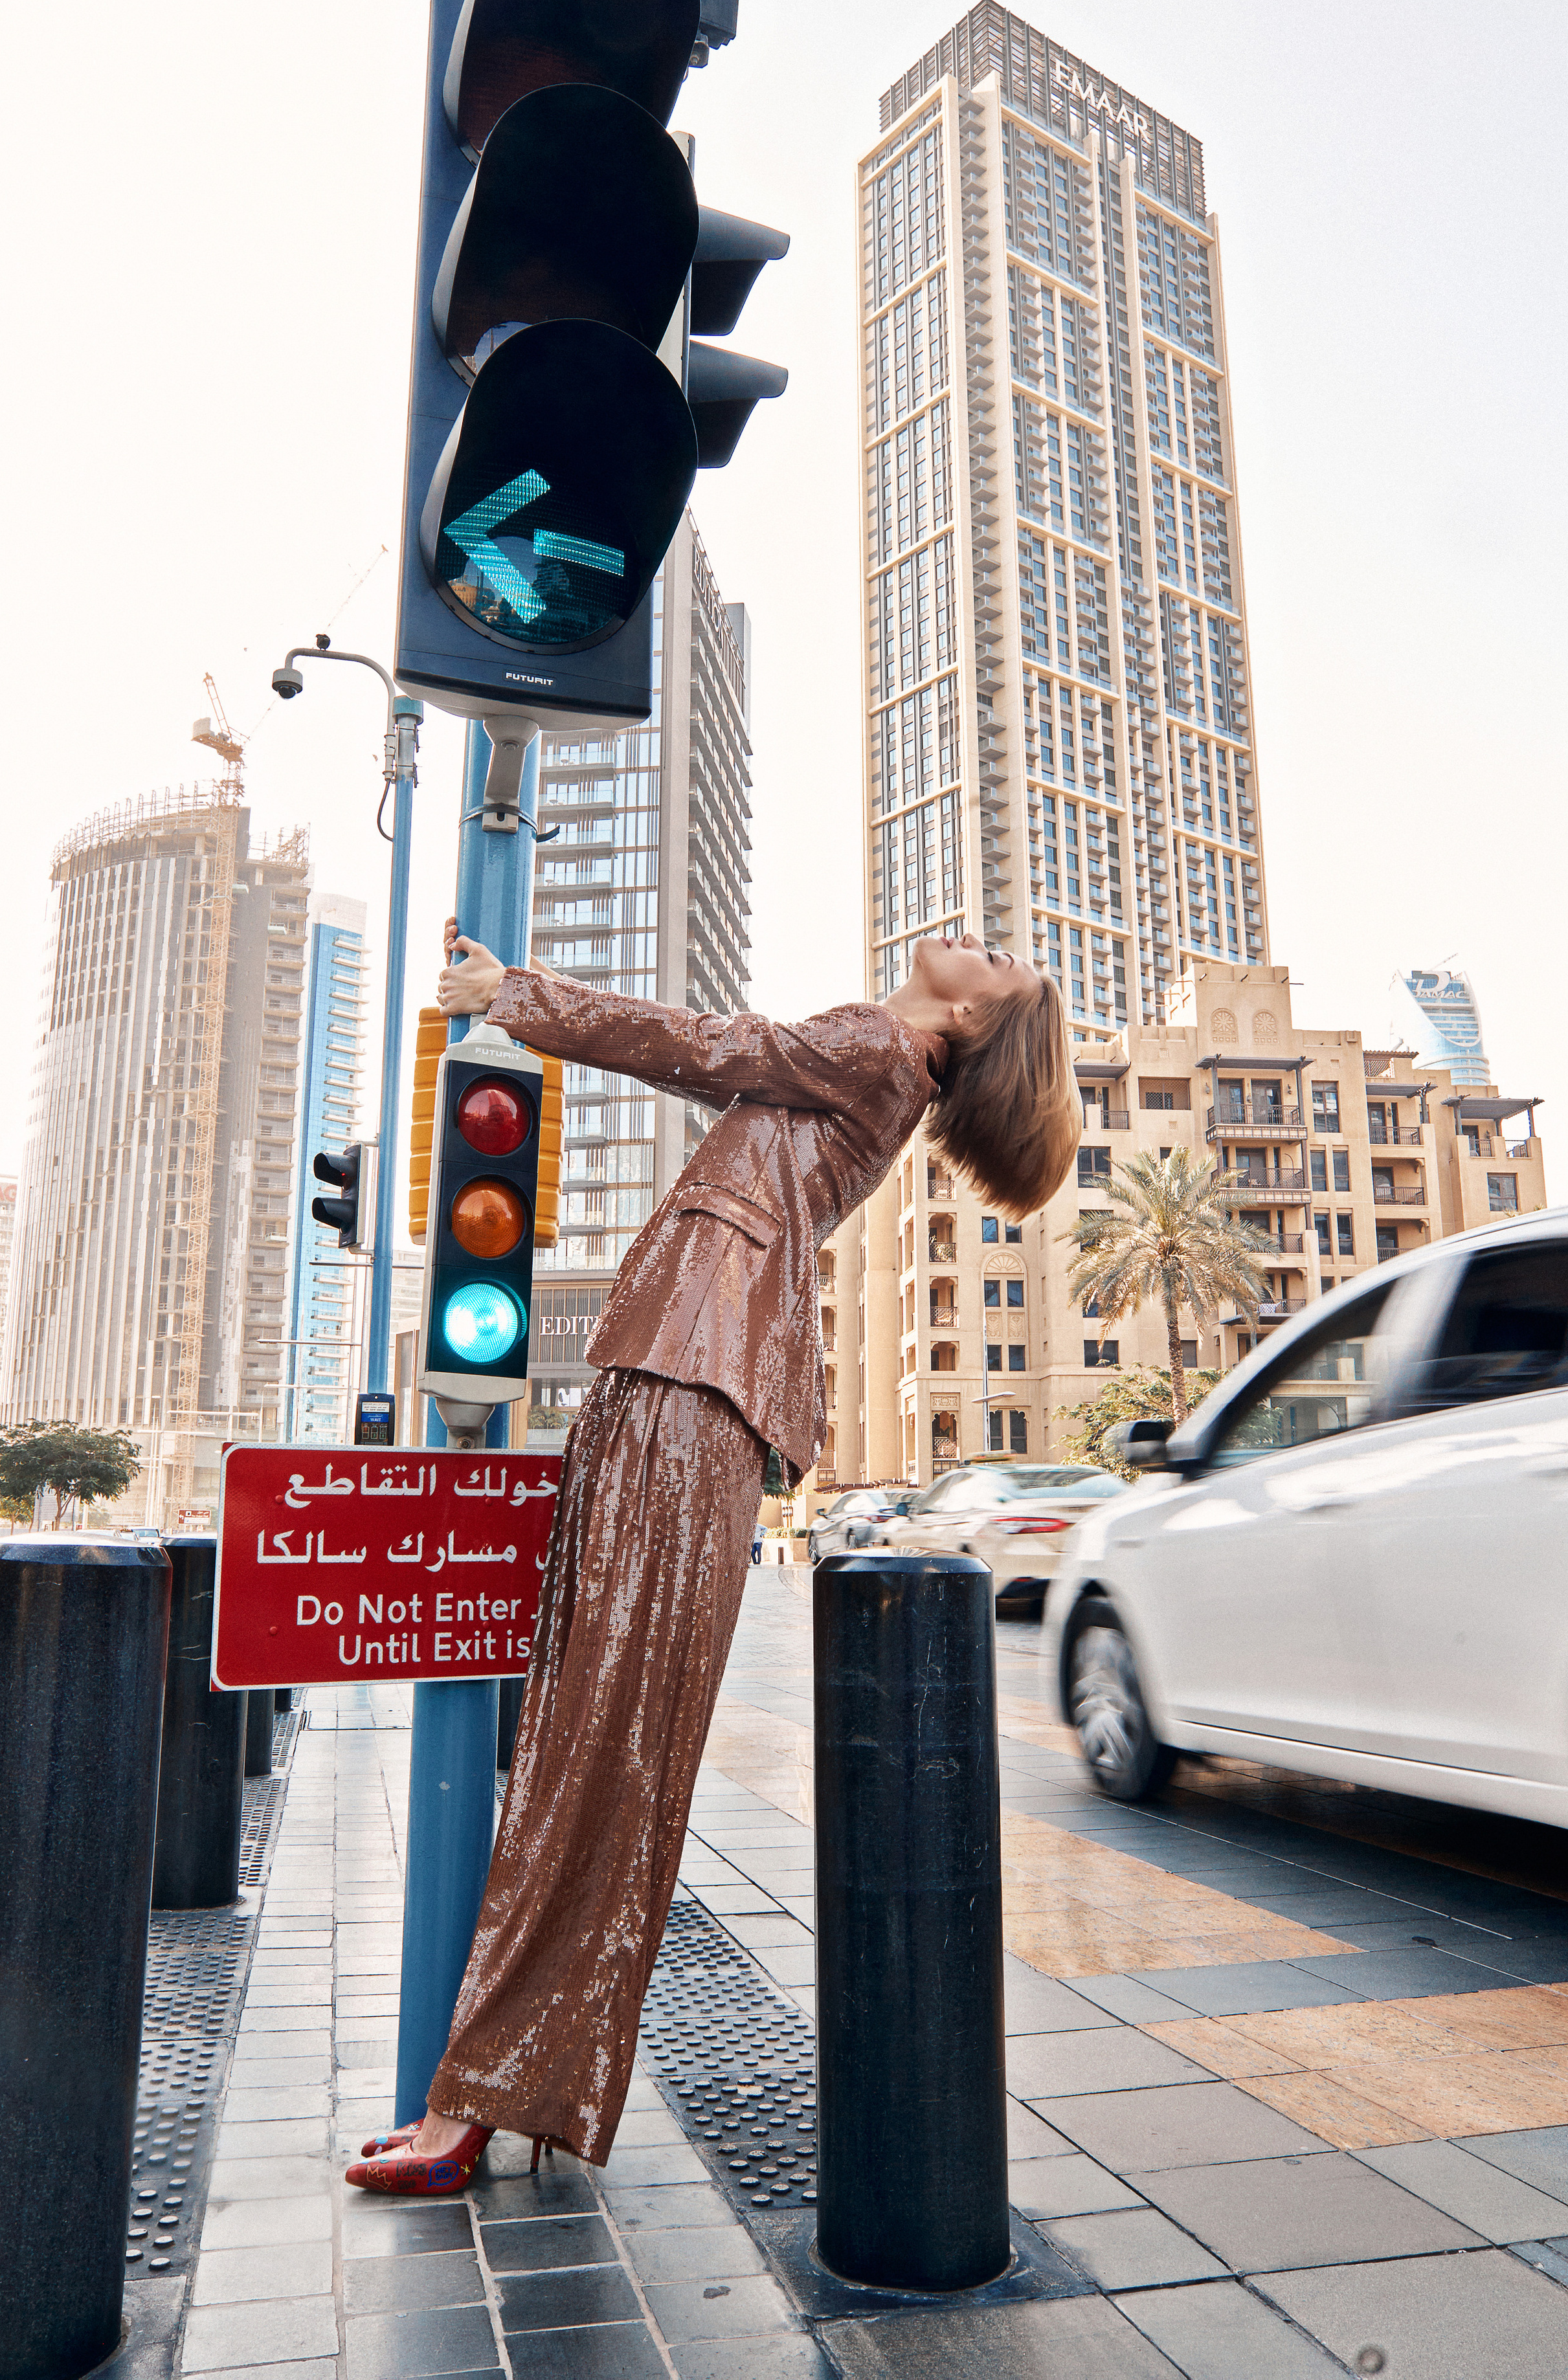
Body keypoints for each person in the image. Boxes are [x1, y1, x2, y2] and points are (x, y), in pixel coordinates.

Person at [346, 924, 1079, 2193]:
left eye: (1004, 961)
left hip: (694, 1381)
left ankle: (477, 2103)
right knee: (593, 1737)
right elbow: (717, 1065)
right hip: (682, 1378)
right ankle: (507, 2085)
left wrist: (505, 997)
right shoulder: (867, 1057)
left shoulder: (873, 1044)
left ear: (975, 1026)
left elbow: (695, 1044)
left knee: (596, 1745)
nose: (981, 938)